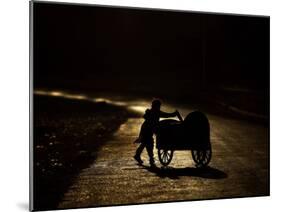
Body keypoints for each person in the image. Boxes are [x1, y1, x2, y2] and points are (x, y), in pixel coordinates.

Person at [134, 99, 178, 167]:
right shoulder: (155, 112)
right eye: (158, 106)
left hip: (146, 129)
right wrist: (174, 114)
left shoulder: (152, 111)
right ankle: (151, 159)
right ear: (156, 106)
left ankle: (138, 155)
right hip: (147, 129)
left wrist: (173, 114)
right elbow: (166, 115)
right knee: (149, 144)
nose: (159, 107)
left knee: (145, 143)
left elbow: (164, 115)